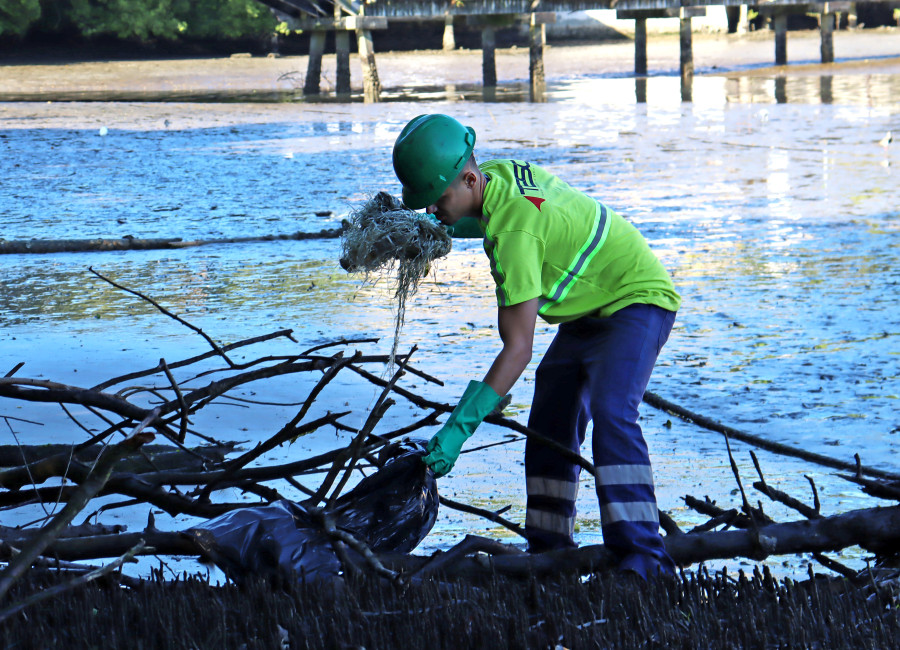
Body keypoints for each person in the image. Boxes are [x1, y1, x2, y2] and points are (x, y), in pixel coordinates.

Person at [391, 114, 681, 578]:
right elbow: (492, 216)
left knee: (612, 410)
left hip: (636, 298)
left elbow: (518, 348)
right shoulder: (498, 175)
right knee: (550, 414)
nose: (432, 210)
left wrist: (458, 430)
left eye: (437, 200)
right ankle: (549, 552)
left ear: (468, 179)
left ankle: (644, 560)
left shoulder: (514, 235)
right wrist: (432, 232)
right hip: (590, 308)